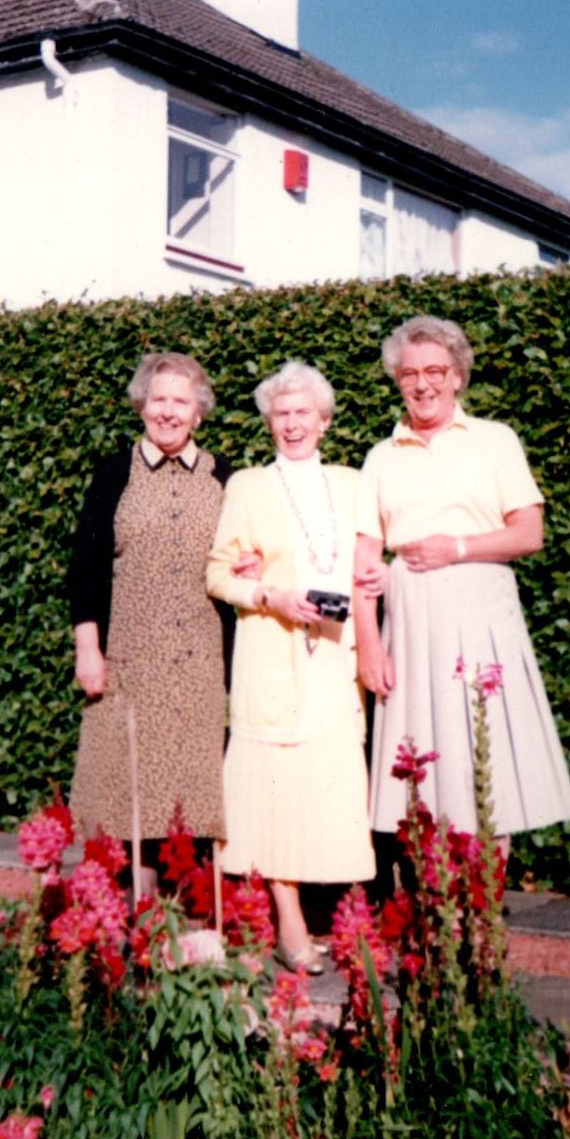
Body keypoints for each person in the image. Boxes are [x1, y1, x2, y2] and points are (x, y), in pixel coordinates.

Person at [353, 315, 570, 852]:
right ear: (397, 380)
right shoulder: (381, 457)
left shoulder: (495, 441)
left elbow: (530, 532)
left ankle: (485, 916)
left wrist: (454, 548)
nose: (423, 384)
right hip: (409, 625)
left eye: (435, 371)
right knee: (419, 765)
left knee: (486, 758)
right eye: (410, 374)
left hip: (482, 616)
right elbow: (363, 560)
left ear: (457, 376)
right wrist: (367, 645)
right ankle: (431, 916)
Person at [207, 361, 376, 974]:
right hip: (271, 651)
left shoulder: (356, 483)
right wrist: (267, 596)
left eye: (303, 412)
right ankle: (289, 921)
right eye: (281, 414)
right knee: (271, 792)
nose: (292, 423)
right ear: (268, 422)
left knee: (327, 788)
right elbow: (218, 573)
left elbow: (375, 560)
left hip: (334, 657)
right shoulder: (247, 486)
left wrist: (381, 575)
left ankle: (326, 915)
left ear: (325, 421)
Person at [67, 352, 236, 897]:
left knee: (191, 787)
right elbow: (86, 566)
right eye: (158, 399)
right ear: (142, 405)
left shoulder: (225, 476)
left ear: (199, 413)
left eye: (180, 401)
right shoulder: (115, 473)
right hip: (131, 658)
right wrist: (87, 649)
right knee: (130, 785)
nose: (168, 412)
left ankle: (189, 914)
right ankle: (138, 913)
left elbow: (244, 549)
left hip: (200, 662)